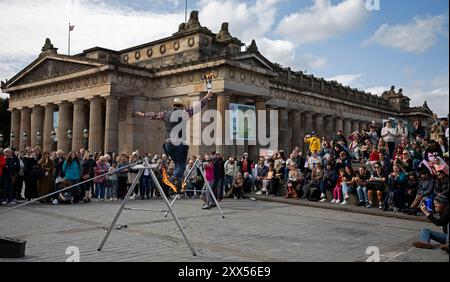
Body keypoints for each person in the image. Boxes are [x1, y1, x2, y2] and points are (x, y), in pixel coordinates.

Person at [135, 90, 214, 192]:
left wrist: (143, 114)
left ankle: (177, 182)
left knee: (178, 164)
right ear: (181, 106)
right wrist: (207, 96)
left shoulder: (165, 114)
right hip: (179, 143)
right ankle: (175, 179)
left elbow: (154, 115)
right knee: (181, 165)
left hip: (168, 144)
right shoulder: (184, 113)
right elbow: (197, 107)